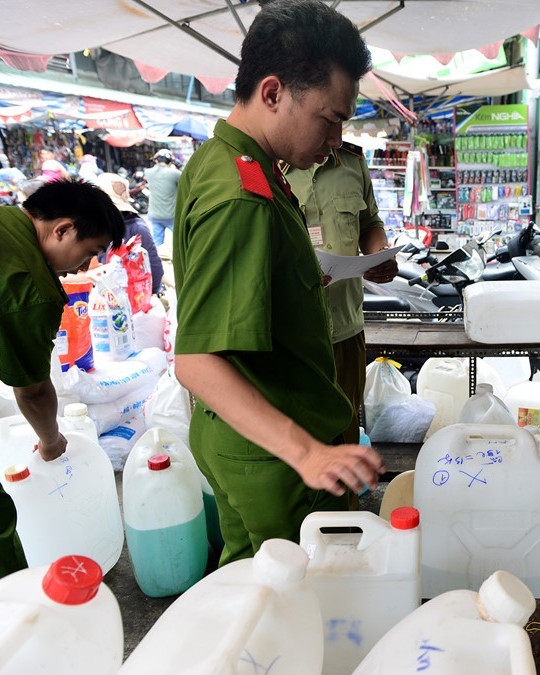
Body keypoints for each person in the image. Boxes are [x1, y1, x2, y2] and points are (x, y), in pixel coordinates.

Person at [172, 0, 385, 567]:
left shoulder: (229, 161)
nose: (337, 139)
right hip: (272, 449)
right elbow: (196, 361)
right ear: (273, 93)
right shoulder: (241, 197)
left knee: (250, 579)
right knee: (293, 593)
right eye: (330, 118)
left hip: (245, 439)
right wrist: (308, 453)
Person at [0, 178, 125, 587]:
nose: (83, 268)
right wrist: (50, 441)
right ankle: (6, 617)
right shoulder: (29, 282)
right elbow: (32, 390)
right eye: (88, 252)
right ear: (61, 229)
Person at [283, 145, 396, 448]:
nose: (335, 133)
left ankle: (347, 498)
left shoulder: (352, 161)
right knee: (301, 441)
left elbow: (370, 223)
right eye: (330, 117)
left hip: (347, 327)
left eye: (342, 120)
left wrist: (378, 255)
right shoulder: (271, 164)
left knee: (345, 433)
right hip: (294, 336)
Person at [95, 172, 165, 293]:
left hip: (129, 297)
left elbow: (154, 266)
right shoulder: (97, 228)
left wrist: (152, 292)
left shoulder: (137, 228)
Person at [144, 148, 182, 246]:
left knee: (157, 242)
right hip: (172, 215)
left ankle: (160, 260)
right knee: (180, 240)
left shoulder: (148, 172)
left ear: (156, 160)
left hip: (155, 214)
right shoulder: (175, 173)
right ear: (170, 161)